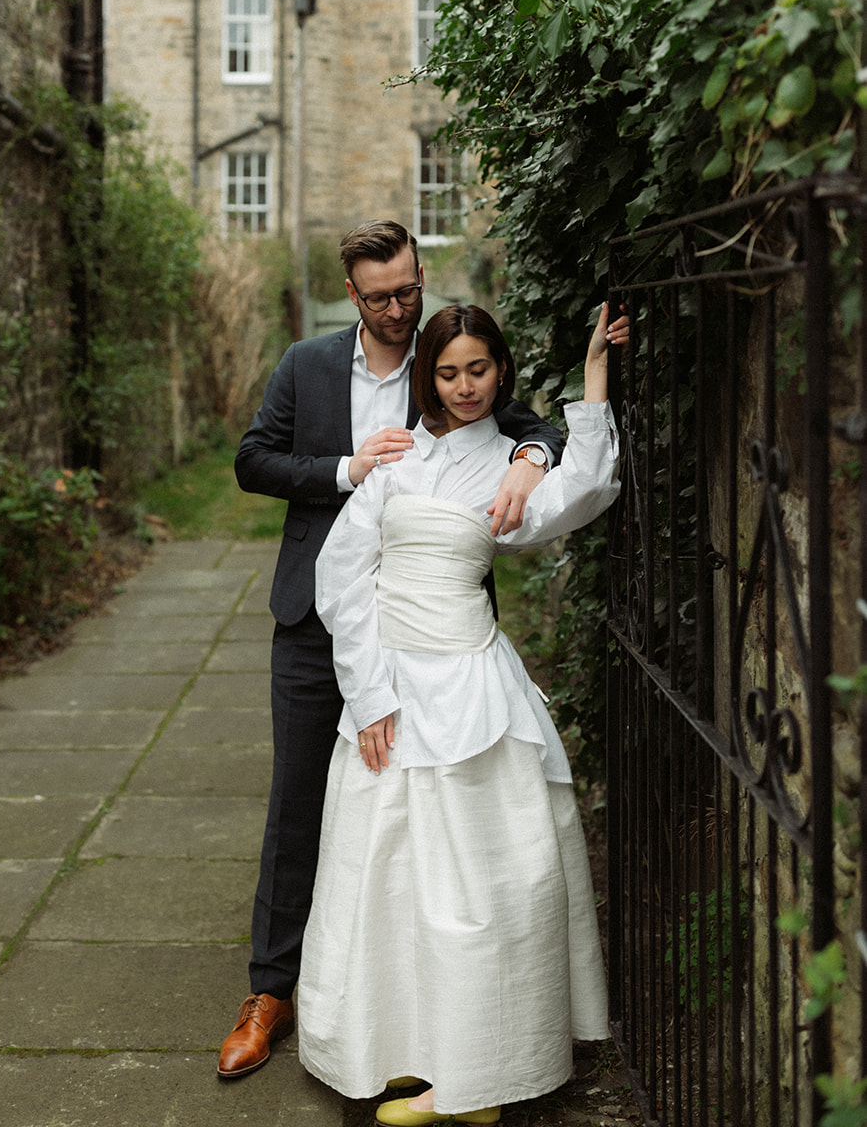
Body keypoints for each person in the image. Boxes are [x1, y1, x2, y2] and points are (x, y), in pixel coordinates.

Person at [217, 222, 566, 1080]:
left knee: (421, 815)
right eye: (379, 297)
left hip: (429, 635)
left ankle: (414, 1003)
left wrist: (527, 456)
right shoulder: (306, 365)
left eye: (408, 290)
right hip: (314, 615)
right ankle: (270, 992)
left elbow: (535, 428)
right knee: (298, 800)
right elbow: (252, 460)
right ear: (352, 290)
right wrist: (344, 470)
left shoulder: (447, 360)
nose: (398, 308)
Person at [296, 300, 628, 1126]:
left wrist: (591, 374)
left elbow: (584, 488)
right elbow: (342, 582)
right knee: (388, 874)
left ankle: (478, 1073)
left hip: (473, 686)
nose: (465, 385)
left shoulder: (510, 472)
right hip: (388, 684)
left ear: (500, 372)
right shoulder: (398, 461)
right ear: (428, 378)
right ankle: (400, 1050)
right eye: (448, 372)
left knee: (487, 878)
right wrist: (368, 694)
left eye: (479, 369)